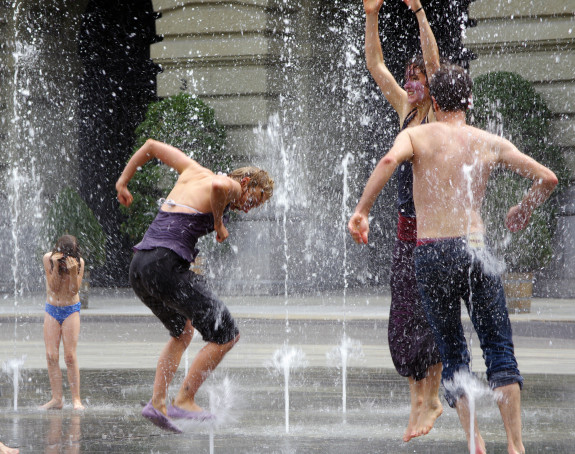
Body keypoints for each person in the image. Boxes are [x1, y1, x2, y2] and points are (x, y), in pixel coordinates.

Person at [349, 64, 558, 454]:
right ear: (470, 100)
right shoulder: (487, 141)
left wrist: (362, 210)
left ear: (435, 99)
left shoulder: (416, 135)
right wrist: (524, 207)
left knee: (452, 351)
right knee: (499, 348)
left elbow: (387, 163)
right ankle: (515, 445)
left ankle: (473, 440)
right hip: (475, 250)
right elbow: (547, 178)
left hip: (432, 252)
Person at [116, 139, 274, 433]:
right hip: (165, 265)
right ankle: (185, 399)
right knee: (227, 334)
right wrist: (218, 223)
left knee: (183, 332)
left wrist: (124, 181)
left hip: (139, 268)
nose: (250, 208)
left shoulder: (191, 169)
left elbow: (150, 146)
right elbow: (219, 188)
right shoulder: (231, 184)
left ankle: (157, 403)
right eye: (256, 199)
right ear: (248, 182)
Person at [363, 0, 442, 440]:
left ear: (432, 84)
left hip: (435, 231)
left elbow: (434, 59)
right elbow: (376, 65)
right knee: (404, 319)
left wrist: (418, 13)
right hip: (405, 232)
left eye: (418, 77)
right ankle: (417, 405)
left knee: (428, 316)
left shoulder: (436, 115)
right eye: (409, 77)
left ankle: (430, 400)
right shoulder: (405, 112)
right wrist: (372, 15)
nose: (411, 82)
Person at [41, 235, 85, 411]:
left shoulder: (79, 263)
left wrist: (73, 272)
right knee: (51, 355)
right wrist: (56, 268)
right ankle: (56, 399)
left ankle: (76, 399)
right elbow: (54, 288)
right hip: (52, 308)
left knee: (69, 356)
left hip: (70, 309)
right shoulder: (48, 259)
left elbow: (74, 289)